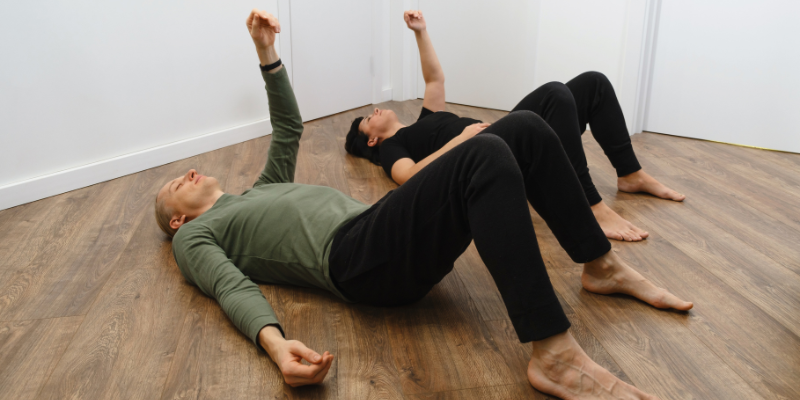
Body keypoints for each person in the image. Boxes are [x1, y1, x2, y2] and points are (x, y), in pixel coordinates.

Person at [155, 9, 692, 399]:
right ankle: (553, 353)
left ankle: (600, 264)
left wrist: (265, 52)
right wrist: (275, 345)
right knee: (485, 153)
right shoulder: (195, 237)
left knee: (526, 127)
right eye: (177, 183)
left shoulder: (263, 188)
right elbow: (229, 286)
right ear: (178, 219)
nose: (190, 173)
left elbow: (289, 127)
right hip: (354, 261)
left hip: (374, 228)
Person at [345, 10, 686, 242]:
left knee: (592, 83)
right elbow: (408, 176)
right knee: (555, 93)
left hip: (504, 134)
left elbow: (434, 79)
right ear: (372, 140)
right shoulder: (392, 147)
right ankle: (589, 206)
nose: (375, 111)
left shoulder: (425, 121)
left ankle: (630, 173)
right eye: (368, 119)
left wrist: (420, 32)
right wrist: (461, 139)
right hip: (490, 154)